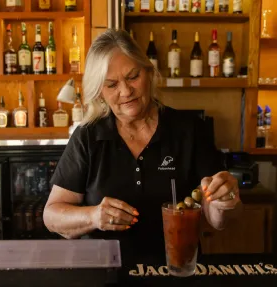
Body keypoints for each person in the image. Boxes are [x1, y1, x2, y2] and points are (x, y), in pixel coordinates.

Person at [43, 29, 242, 259]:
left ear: (149, 72)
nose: (126, 91)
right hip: (105, 276)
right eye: (111, 85)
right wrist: (94, 215)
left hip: (176, 269)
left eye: (133, 76)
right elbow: (52, 216)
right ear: (100, 92)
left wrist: (224, 201)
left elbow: (217, 219)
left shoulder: (190, 130)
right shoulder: (88, 137)